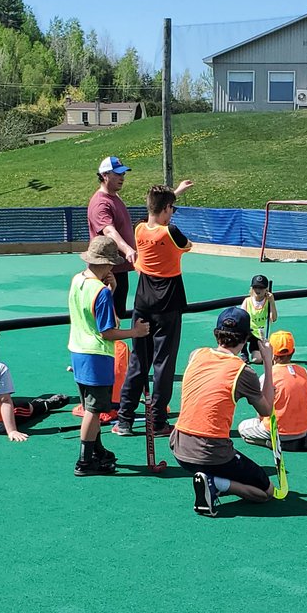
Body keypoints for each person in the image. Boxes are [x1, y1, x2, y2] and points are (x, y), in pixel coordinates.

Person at [170, 307, 275, 517]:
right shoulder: (243, 371)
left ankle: (212, 482)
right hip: (212, 452)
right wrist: (268, 364)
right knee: (266, 492)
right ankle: (214, 484)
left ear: (216, 334)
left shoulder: (195, 354)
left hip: (179, 447)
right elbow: (267, 410)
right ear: (246, 339)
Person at [113, 184, 193, 437]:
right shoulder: (171, 231)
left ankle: (124, 419)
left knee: (138, 362)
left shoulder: (138, 229)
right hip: (168, 304)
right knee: (163, 364)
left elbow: (156, 209)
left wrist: (173, 193)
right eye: (172, 208)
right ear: (167, 209)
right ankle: (157, 422)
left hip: (142, 303)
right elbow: (187, 245)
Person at [67, 236, 151, 476]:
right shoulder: (100, 292)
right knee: (94, 410)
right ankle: (84, 460)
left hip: (78, 349)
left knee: (89, 405)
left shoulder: (77, 281)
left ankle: (97, 450)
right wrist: (135, 332)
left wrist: (111, 289)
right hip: (96, 354)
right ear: (107, 264)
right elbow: (107, 331)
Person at [87, 155, 194, 319]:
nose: (122, 178)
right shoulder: (101, 203)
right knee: (108, 318)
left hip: (118, 268)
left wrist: (175, 193)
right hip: (108, 270)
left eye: (123, 174)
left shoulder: (113, 198)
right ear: (104, 175)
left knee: (117, 314)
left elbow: (154, 211)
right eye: (117, 174)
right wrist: (127, 249)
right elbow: (109, 231)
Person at [239, 330, 307, 450]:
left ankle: (272, 443)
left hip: (275, 431)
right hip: (303, 432)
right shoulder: (305, 373)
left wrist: (261, 421)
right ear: (293, 351)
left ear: (271, 353)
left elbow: (261, 410)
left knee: (243, 428)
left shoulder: (268, 376)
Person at [241, 274, 277, 362]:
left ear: (266, 289)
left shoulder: (268, 302)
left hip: (260, 335)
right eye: (255, 287)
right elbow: (241, 318)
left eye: (261, 288)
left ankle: (256, 350)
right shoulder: (247, 301)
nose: (258, 290)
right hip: (248, 332)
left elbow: (273, 318)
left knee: (257, 359)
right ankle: (243, 351)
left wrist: (272, 302)